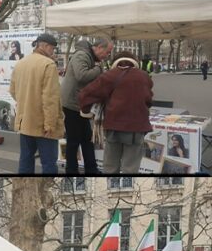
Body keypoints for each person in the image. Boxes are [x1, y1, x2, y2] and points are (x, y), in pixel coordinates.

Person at [78, 51, 153, 174]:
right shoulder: (144, 76)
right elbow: (149, 101)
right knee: (131, 167)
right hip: (137, 128)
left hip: (114, 127)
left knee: (110, 166)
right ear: (135, 62)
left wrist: (87, 111)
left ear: (115, 62)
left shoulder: (109, 75)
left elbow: (85, 95)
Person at [10, 32, 64, 174]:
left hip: (25, 121)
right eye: (52, 48)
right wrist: (50, 124)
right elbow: (50, 98)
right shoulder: (48, 64)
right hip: (43, 125)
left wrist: (27, 103)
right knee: (48, 164)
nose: (53, 52)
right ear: (45, 46)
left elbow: (13, 91)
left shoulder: (21, 63)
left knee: (26, 161)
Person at [61, 38, 112, 175]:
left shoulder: (87, 56)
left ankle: (91, 168)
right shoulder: (82, 55)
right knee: (74, 140)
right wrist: (98, 69)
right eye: (107, 52)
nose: (107, 56)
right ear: (99, 48)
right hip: (73, 104)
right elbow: (81, 76)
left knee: (87, 139)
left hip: (79, 103)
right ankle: (71, 170)